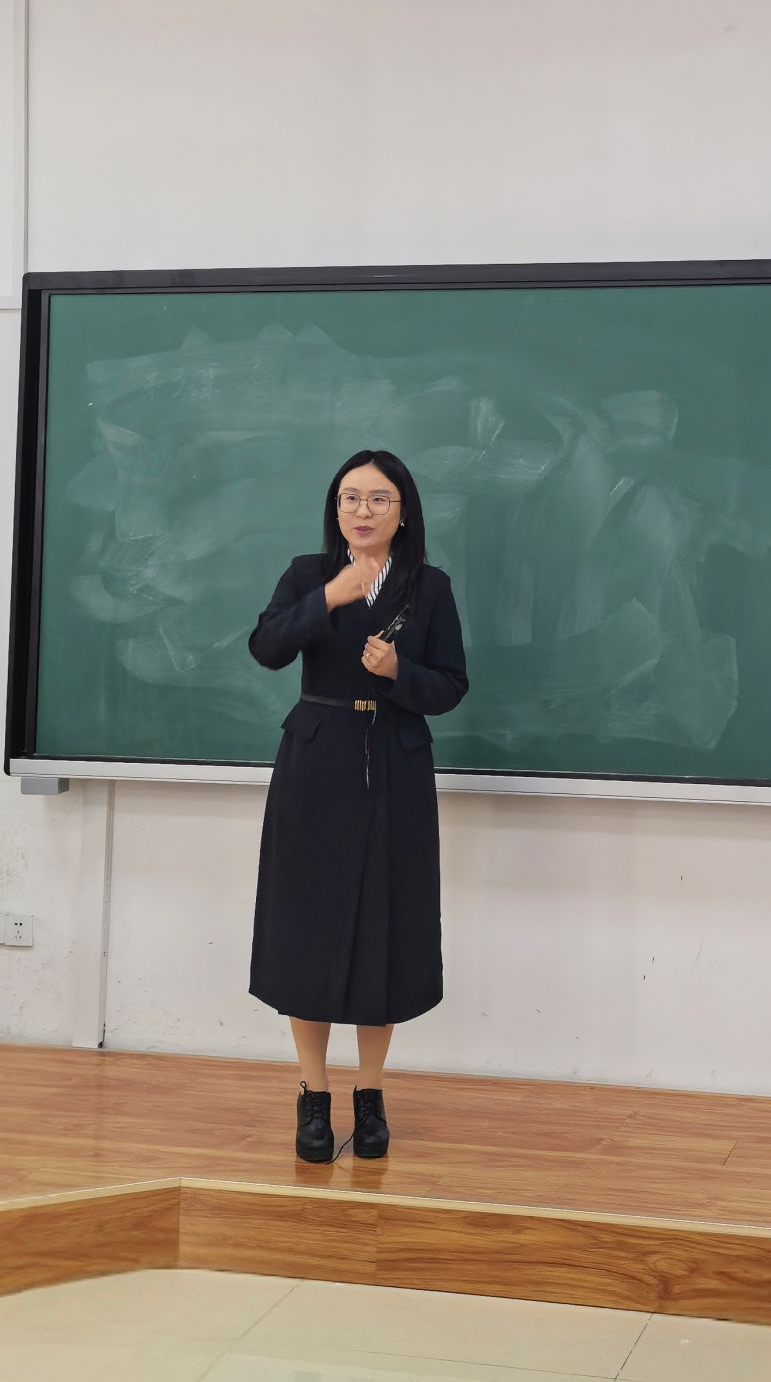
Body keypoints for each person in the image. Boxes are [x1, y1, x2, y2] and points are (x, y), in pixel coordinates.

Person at [247, 449, 468, 1163]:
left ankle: (369, 1093)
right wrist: (330, 599)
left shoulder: (428, 586)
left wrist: (399, 671)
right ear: (335, 508)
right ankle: (312, 1094)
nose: (363, 511)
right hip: (316, 761)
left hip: (397, 762)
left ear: (403, 510)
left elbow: (451, 684)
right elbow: (266, 647)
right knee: (307, 923)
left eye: (378, 498)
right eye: (350, 498)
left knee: (387, 924)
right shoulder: (308, 574)